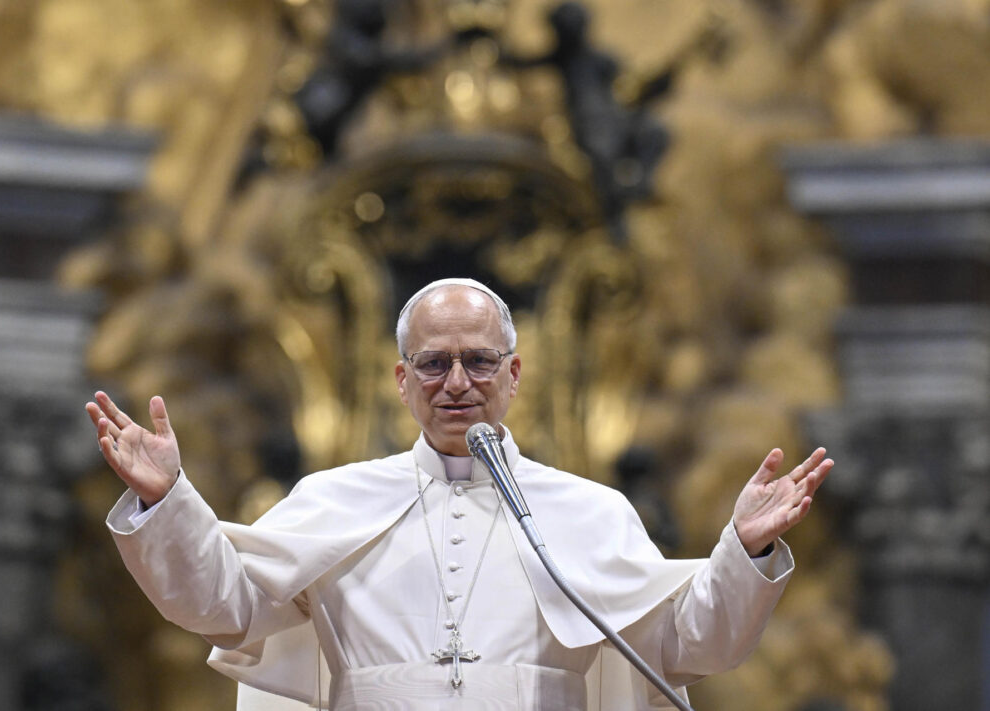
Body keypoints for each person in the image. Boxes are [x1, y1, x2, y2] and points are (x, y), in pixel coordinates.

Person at [86, 278, 832, 711]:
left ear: (514, 375)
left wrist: (745, 548)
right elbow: (225, 607)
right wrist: (168, 500)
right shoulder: (333, 499)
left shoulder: (591, 511)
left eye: (478, 361)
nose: (456, 383)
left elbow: (684, 646)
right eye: (433, 363)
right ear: (401, 380)